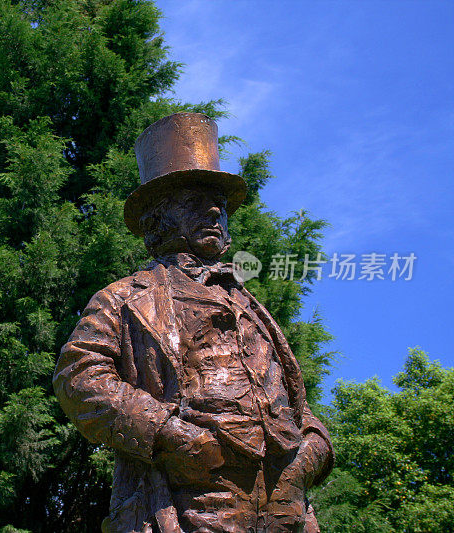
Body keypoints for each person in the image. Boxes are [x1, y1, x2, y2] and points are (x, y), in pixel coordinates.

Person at [53, 113, 333, 533]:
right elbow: (79, 378)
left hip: (284, 503)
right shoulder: (126, 297)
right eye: (195, 202)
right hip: (187, 502)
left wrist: (313, 450)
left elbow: (296, 399)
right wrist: (171, 435)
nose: (216, 211)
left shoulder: (249, 303)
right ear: (159, 219)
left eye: (219, 205)